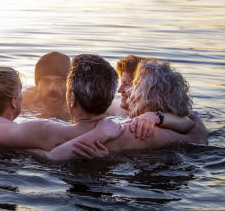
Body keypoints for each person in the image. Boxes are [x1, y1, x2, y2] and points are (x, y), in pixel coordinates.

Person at [0, 55, 203, 155]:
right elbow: (197, 130)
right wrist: (158, 117)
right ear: (111, 97)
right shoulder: (139, 131)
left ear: (71, 97)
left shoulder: (47, 131)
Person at [42, 58, 207, 161]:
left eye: (134, 86)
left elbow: (55, 152)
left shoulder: (138, 131)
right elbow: (194, 124)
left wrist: (33, 151)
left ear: (150, 99)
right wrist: (158, 116)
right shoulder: (182, 128)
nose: (125, 91)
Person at [21, 51, 71, 120]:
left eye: (60, 81)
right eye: (46, 81)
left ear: (70, 84)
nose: (52, 88)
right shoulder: (24, 100)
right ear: (37, 84)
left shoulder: (81, 106)